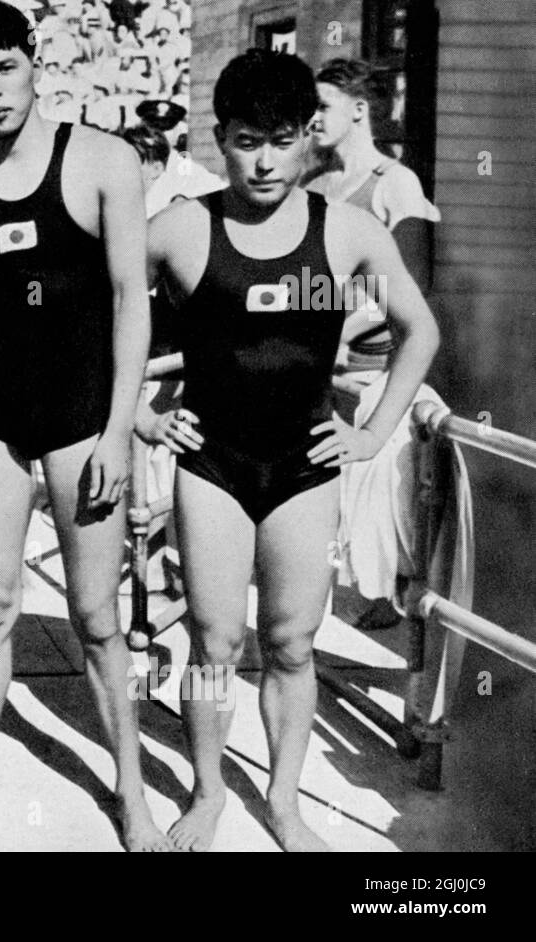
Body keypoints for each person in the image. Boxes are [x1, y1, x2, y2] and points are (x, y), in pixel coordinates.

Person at [141, 48, 439, 851]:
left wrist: (373, 433)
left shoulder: (347, 229)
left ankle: (283, 802)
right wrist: (139, 416)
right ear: (219, 138)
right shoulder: (178, 226)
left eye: (281, 138)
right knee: (211, 640)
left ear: (309, 135)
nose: (265, 160)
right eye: (245, 140)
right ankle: (206, 795)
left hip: (304, 468)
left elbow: (420, 329)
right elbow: (96, 325)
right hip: (212, 466)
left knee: (291, 643)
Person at [0, 0, 168, 849]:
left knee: (96, 616)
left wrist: (119, 427)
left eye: (5, 68)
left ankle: (130, 786)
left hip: (84, 410)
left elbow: (134, 298)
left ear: (34, 62)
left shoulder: (104, 159)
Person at [306, 57, 440, 372]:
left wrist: (341, 335)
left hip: (372, 366)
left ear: (359, 110)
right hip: (312, 361)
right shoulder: (311, 185)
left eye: (323, 107)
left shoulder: (395, 182)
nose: (312, 119)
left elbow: (413, 285)